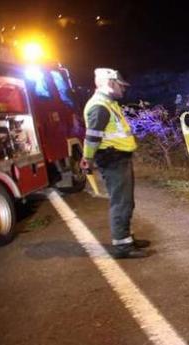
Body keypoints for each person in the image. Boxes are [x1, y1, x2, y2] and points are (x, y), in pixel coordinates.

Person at [80, 68, 150, 259]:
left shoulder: (108, 103)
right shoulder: (100, 106)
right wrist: (88, 159)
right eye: (121, 85)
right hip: (113, 159)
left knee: (126, 201)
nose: (124, 89)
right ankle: (122, 247)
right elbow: (92, 137)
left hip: (118, 158)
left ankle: (126, 238)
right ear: (110, 83)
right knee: (121, 203)